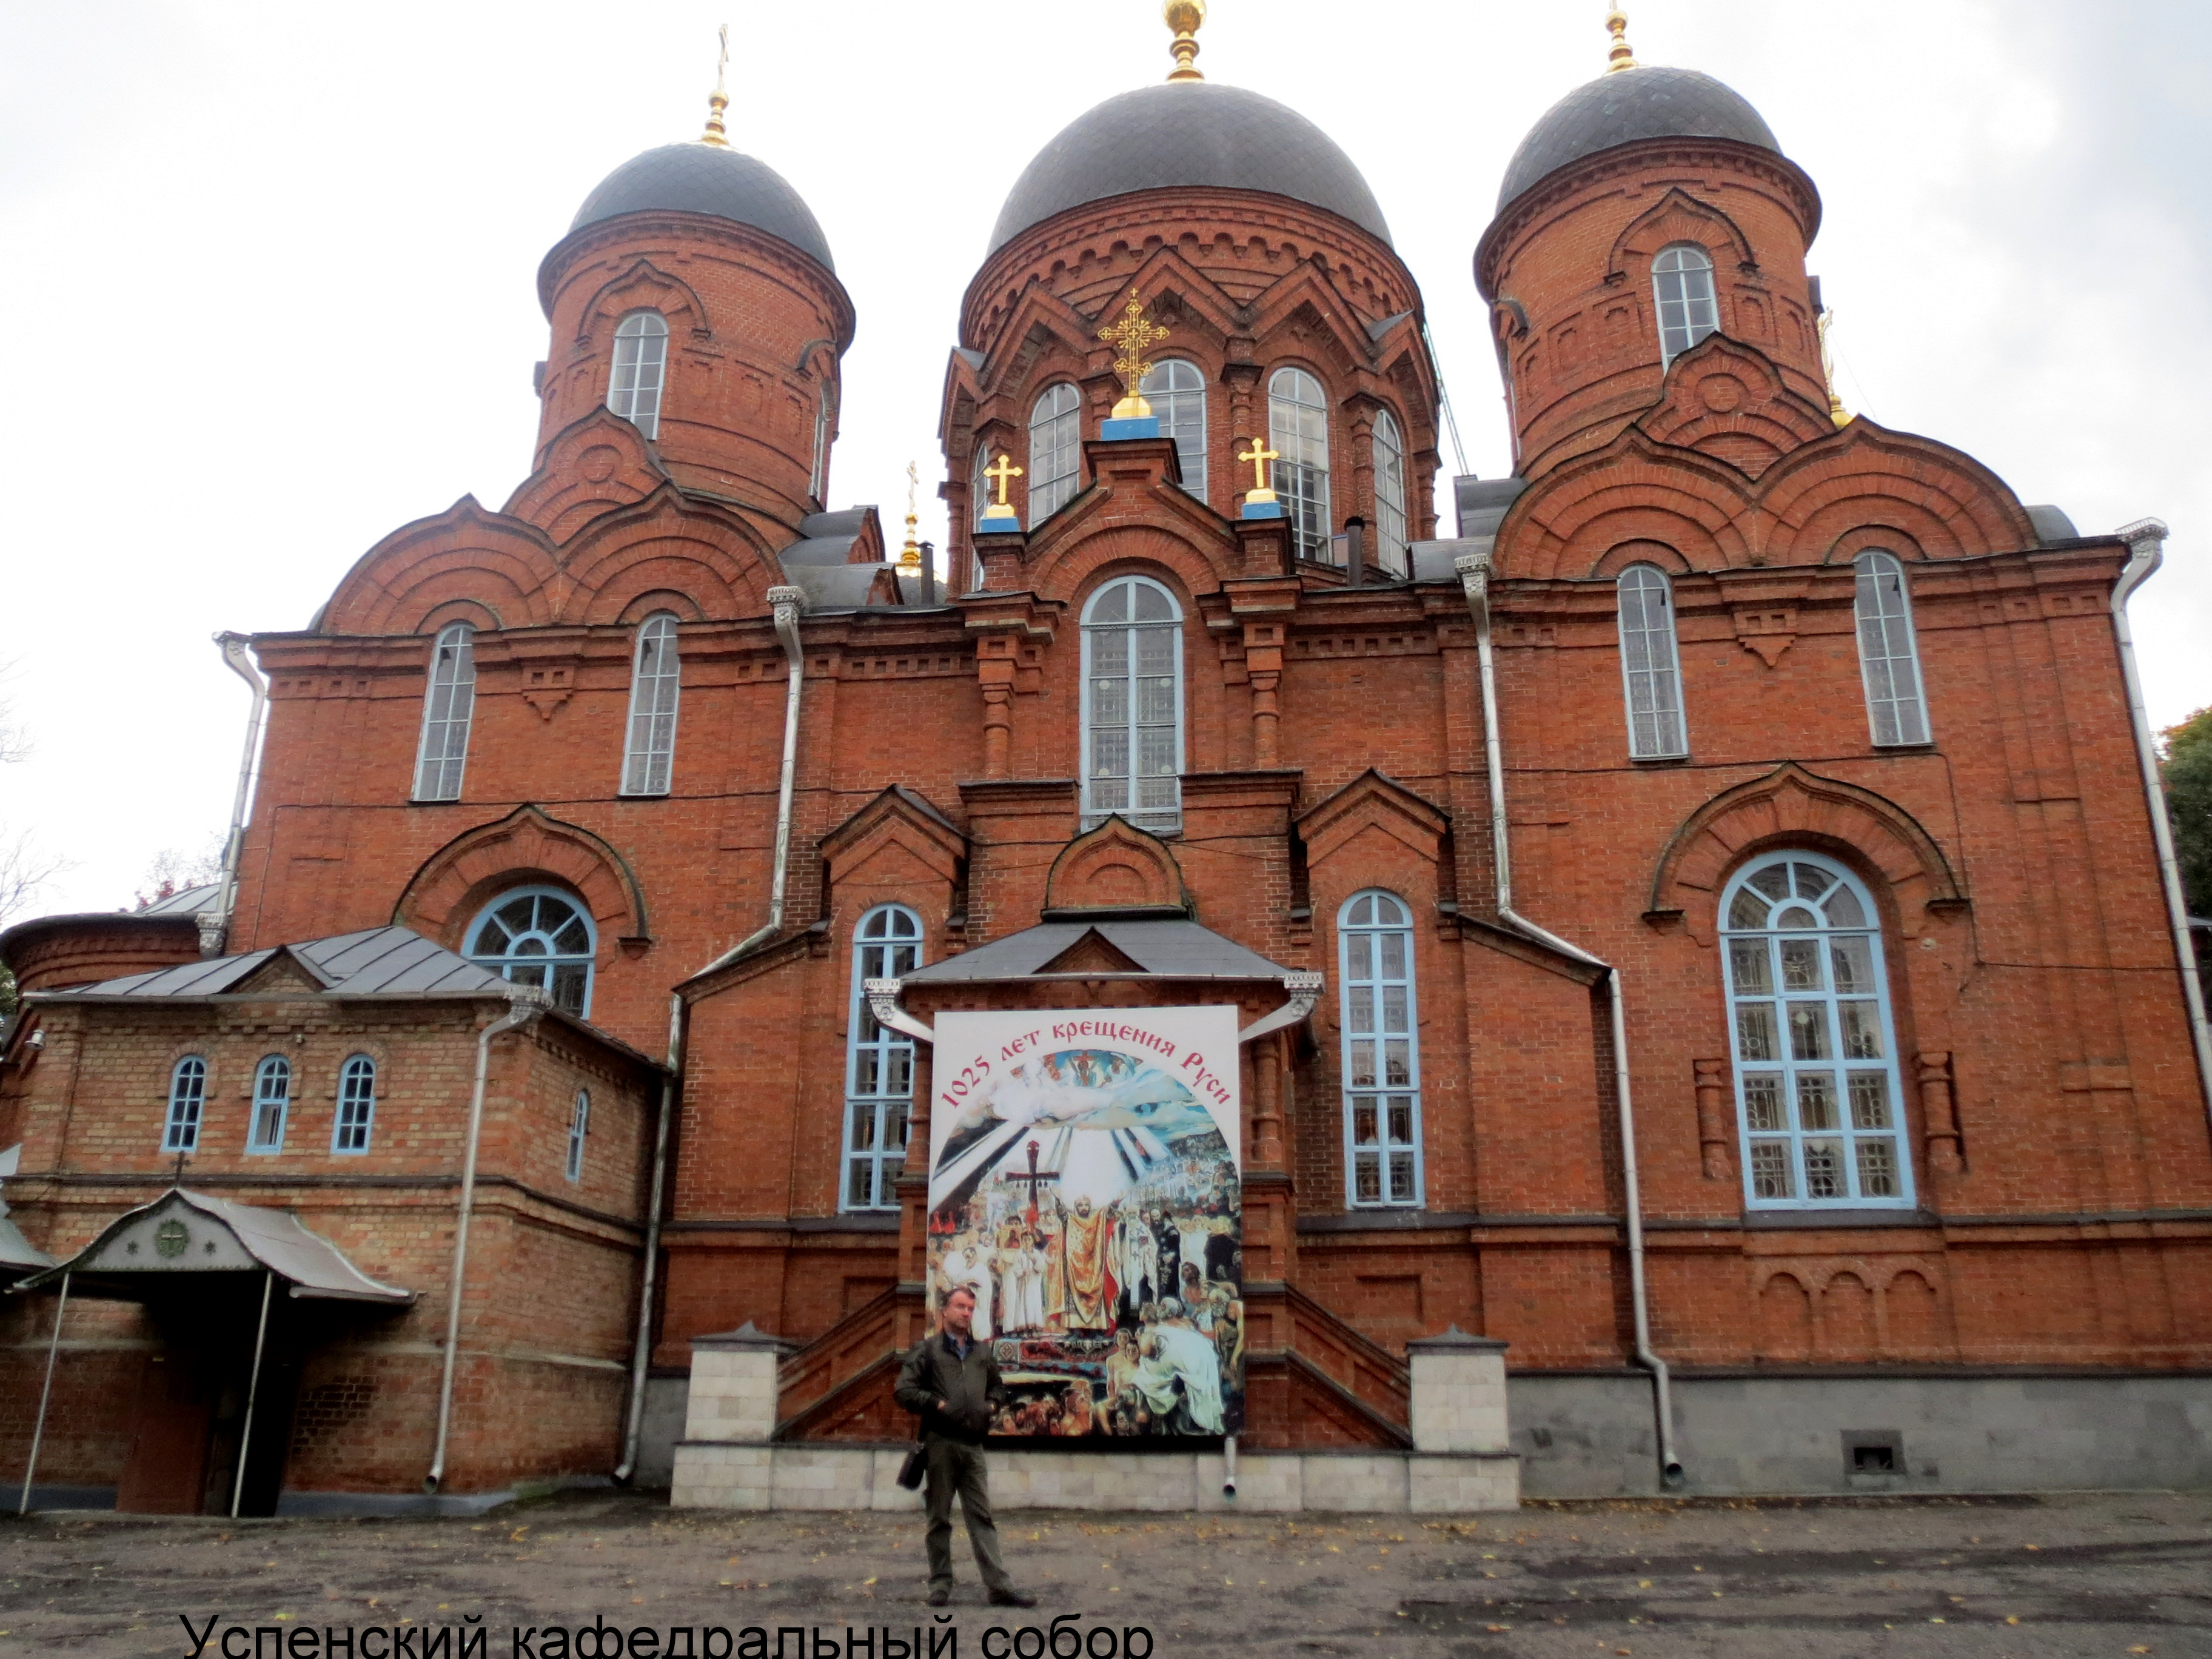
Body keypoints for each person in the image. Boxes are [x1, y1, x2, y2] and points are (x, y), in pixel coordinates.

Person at [893, 1286, 1037, 1609]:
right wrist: (937, 1404)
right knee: (939, 1518)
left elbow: (998, 1387)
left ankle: (999, 1588)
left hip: (973, 1446)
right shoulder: (927, 1351)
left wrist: (991, 1405)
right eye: (960, 1307)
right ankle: (940, 1585)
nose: (966, 1314)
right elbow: (903, 1391)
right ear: (944, 1310)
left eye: (971, 1309)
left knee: (981, 1517)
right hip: (940, 1443)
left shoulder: (982, 1353)